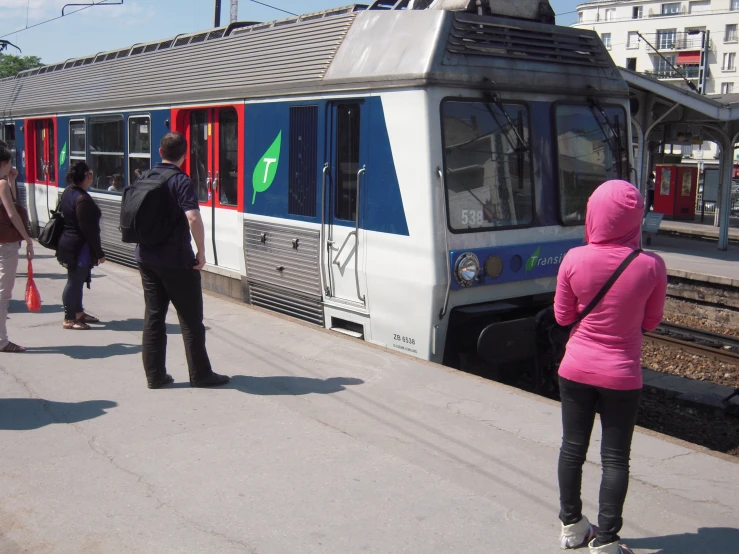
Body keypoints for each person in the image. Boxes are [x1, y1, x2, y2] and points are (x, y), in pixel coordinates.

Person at [554, 180, 667, 554]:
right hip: (622, 375)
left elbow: (562, 316)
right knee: (615, 458)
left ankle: (572, 527)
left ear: (594, 213)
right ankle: (605, 542)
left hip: (575, 370)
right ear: (635, 219)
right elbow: (650, 323)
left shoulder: (573, 258)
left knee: (572, 448)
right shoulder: (651, 266)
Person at [136, 132, 229, 389]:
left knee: (154, 317)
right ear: (185, 154)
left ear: (159, 151)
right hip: (176, 260)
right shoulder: (180, 180)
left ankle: (155, 375)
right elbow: (193, 218)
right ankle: (200, 374)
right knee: (190, 320)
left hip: (146, 257)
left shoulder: (144, 176)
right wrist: (201, 251)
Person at [57, 161, 106, 330]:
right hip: (79, 247)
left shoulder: (68, 192)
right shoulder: (82, 199)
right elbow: (89, 230)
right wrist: (99, 252)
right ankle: (69, 318)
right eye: (91, 173)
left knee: (76, 279)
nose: (92, 176)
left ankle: (78, 312)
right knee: (74, 281)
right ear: (86, 176)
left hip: (68, 243)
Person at [0, 146, 33, 352]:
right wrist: (28, 239)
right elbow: (12, 214)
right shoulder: (1, 184)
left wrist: (12, 181)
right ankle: (2, 341)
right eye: (10, 162)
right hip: (6, 245)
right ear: (4, 163)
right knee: (3, 295)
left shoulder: (5, 183)